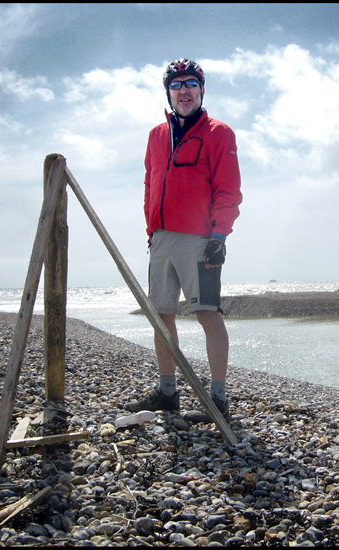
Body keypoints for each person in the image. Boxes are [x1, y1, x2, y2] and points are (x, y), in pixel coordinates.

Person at [124, 59, 242, 421]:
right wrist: (150, 230)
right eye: (177, 85)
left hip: (199, 239)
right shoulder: (156, 135)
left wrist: (219, 235)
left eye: (191, 83)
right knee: (161, 317)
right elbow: (149, 184)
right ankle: (167, 391)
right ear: (169, 92)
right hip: (160, 239)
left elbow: (229, 189)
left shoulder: (218, 132)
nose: (184, 90)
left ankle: (218, 399)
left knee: (207, 314)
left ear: (202, 90)